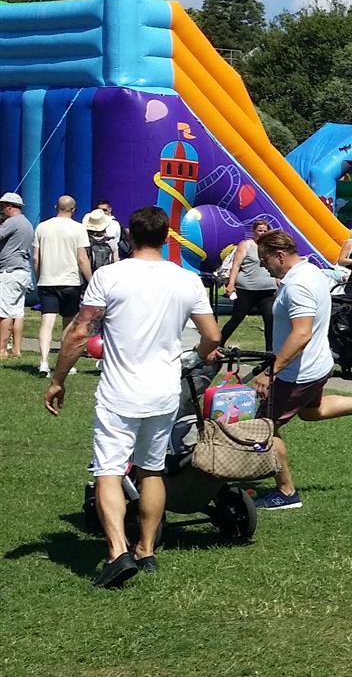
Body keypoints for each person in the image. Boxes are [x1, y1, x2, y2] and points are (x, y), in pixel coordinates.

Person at [44, 205, 222, 587]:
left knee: (109, 469)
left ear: (130, 234)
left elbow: (79, 331)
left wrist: (59, 378)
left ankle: (116, 551)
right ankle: (146, 549)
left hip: (120, 389)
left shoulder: (110, 276)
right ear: (166, 235)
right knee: (152, 468)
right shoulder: (186, 280)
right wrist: (197, 355)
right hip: (163, 389)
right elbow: (212, 336)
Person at [251, 231, 352, 512]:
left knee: (265, 426)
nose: (263, 265)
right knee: (312, 410)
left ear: (279, 256)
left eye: (264, 259)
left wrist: (270, 372)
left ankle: (286, 492)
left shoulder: (297, 285)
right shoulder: (311, 271)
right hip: (318, 366)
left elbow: (301, 334)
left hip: (296, 373)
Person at [32, 195, 94, 376]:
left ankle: (43, 362)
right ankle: (66, 363)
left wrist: (39, 276)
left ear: (55, 207)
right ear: (74, 210)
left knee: (47, 322)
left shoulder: (42, 227)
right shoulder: (78, 229)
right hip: (70, 281)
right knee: (68, 323)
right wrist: (91, 280)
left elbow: (36, 258)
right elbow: (82, 258)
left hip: (47, 280)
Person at [220, 218, 280, 347]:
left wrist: (278, 279)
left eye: (265, 230)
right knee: (236, 318)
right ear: (254, 231)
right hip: (246, 289)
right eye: (259, 230)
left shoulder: (271, 247)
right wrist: (231, 284)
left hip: (267, 290)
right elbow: (236, 266)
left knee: (270, 321)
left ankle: (270, 354)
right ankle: (218, 345)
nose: (262, 233)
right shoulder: (246, 245)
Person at [0, 191, 35, 359]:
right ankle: (17, 349)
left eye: (2, 207)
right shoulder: (27, 223)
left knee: (5, 312)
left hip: (10, 270)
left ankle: (1, 350)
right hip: (23, 271)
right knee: (18, 312)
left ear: (9, 207)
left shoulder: (12, 222)